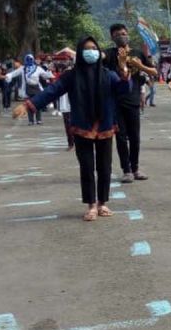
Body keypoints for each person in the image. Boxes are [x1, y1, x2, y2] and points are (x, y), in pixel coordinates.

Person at [13, 36, 132, 222]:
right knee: (86, 167)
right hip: (82, 127)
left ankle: (102, 203)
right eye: (86, 49)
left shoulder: (109, 74)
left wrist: (124, 69)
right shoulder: (72, 76)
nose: (90, 51)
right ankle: (91, 205)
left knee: (105, 168)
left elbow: (124, 90)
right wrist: (28, 105)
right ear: (80, 52)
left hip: (105, 126)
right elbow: (52, 91)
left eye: (93, 48)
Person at [104, 24, 157, 183]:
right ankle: (126, 170)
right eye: (119, 34)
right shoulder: (109, 54)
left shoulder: (137, 53)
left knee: (135, 137)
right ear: (112, 37)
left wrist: (139, 65)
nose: (123, 36)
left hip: (133, 101)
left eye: (124, 33)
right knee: (120, 137)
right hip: (115, 102)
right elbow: (100, 60)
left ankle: (135, 168)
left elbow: (154, 72)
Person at [6, 54, 53, 124]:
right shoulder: (23, 68)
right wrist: (8, 76)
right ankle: (31, 120)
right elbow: (14, 73)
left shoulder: (37, 68)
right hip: (28, 88)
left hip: (37, 87)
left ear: (33, 60)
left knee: (38, 104)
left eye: (30, 59)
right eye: (28, 59)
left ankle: (38, 120)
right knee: (29, 104)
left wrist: (49, 70)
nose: (29, 61)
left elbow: (45, 76)